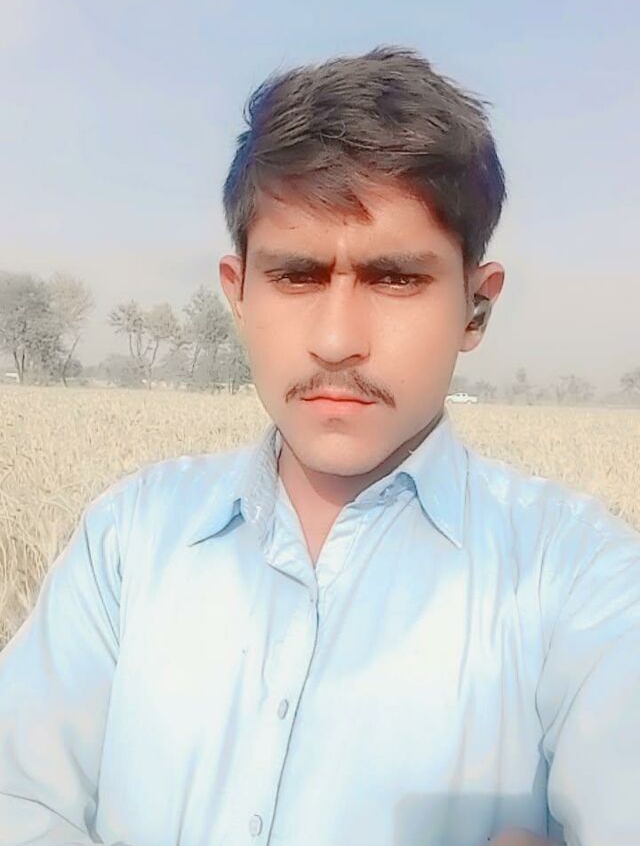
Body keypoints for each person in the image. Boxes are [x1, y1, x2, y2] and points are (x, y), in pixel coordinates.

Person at [0, 45, 638, 846]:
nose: (336, 340)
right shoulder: (127, 545)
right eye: (296, 275)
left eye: (396, 278)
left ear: (475, 307)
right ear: (238, 292)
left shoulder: (579, 582)